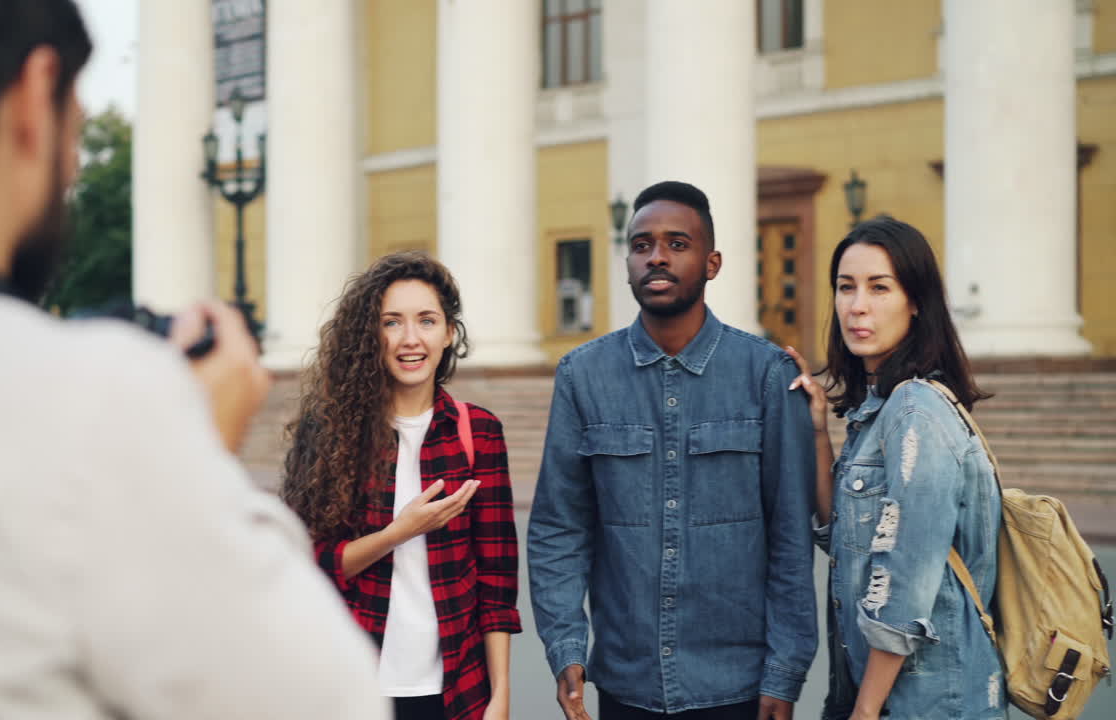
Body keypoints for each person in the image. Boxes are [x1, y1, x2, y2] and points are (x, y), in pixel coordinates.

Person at [0, 2, 387, 718]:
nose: (72, 162)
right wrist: (195, 456)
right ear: (33, 99)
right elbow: (331, 704)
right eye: (79, 120)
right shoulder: (89, 400)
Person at [528, 181, 818, 720]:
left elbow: (790, 538)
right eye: (641, 245)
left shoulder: (766, 375)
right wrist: (566, 646)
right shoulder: (582, 375)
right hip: (625, 685)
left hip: (738, 690)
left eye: (677, 244)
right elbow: (558, 528)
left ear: (713, 263)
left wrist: (786, 671)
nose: (656, 256)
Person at [281, 251, 522, 720]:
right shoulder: (332, 433)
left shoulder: (479, 434)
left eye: (427, 321)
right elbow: (308, 563)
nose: (411, 339)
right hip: (351, 684)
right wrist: (399, 531)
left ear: (449, 332)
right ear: (370, 335)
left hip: (456, 690)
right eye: (392, 322)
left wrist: (501, 693)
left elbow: (497, 581)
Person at [785, 218, 1003, 720]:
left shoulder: (916, 413)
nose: (856, 305)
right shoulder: (880, 412)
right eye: (846, 287)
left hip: (923, 704)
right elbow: (835, 536)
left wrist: (863, 712)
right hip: (876, 695)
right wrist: (819, 428)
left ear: (916, 300)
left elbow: (904, 585)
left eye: (879, 287)